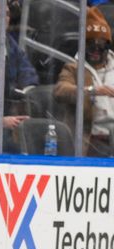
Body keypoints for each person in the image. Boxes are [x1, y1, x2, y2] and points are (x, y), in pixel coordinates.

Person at [55, 6, 114, 157]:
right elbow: (60, 90)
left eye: (100, 45)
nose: (95, 50)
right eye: (90, 44)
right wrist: (91, 90)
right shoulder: (73, 68)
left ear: (107, 46)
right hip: (93, 141)